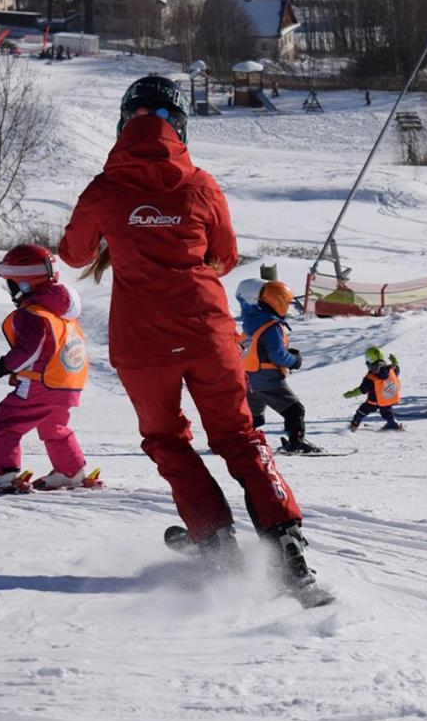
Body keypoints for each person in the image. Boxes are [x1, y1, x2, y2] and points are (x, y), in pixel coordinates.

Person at [58, 75, 325, 600]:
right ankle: (284, 540)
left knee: (166, 440)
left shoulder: (104, 188)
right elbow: (225, 257)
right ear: (180, 127)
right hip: (207, 331)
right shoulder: (201, 183)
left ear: (123, 124)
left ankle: (216, 541)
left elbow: (72, 255)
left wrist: (127, 233)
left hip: (142, 343)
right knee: (239, 435)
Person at [0, 245, 91, 492]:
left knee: (5, 424)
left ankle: (2, 472)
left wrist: (4, 365)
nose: (10, 288)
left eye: (11, 282)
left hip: (39, 383)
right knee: (54, 427)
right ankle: (70, 471)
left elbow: (29, 351)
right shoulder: (62, 312)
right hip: (66, 384)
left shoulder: (33, 313)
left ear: (24, 283)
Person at [238, 278, 320, 455]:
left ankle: (240, 441)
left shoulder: (250, 324)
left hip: (250, 378)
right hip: (268, 378)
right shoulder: (271, 325)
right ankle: (296, 442)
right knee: (294, 409)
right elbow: (277, 356)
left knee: (253, 415)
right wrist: (294, 360)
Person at [345, 347, 403, 430]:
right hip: (387, 399)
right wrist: (395, 362)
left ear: (371, 360)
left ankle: (354, 425)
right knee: (386, 413)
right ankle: (393, 424)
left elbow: (362, 389)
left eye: (368, 359)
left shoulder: (371, 376)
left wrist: (351, 393)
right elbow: (397, 371)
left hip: (373, 402)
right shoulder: (390, 370)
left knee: (361, 412)